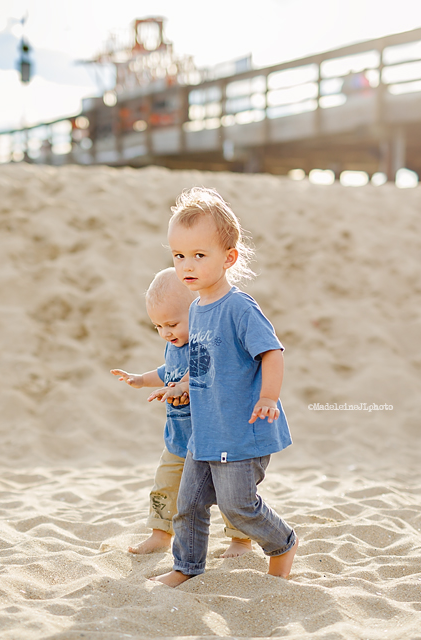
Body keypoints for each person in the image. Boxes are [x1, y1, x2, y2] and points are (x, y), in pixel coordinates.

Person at [152, 187, 297, 587]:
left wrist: (268, 396)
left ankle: (282, 544)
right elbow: (203, 365)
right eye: (179, 255)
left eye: (199, 255)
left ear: (228, 258)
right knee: (189, 504)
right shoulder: (195, 309)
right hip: (206, 431)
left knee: (239, 506)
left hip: (241, 431)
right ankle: (187, 566)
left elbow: (272, 353)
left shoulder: (239, 308)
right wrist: (180, 385)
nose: (187, 265)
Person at [111, 268, 254, 557]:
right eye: (158, 327)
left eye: (172, 324)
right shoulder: (173, 347)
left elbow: (205, 377)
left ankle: (240, 540)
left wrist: (183, 387)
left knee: (229, 493)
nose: (166, 333)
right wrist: (140, 379)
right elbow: (167, 372)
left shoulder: (208, 346)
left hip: (213, 441)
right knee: (165, 485)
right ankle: (159, 533)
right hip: (178, 440)